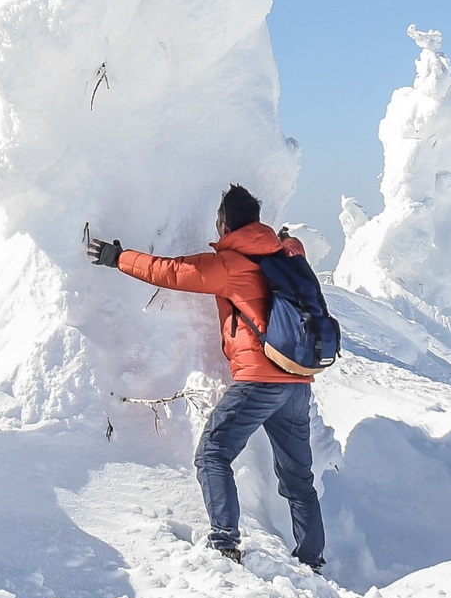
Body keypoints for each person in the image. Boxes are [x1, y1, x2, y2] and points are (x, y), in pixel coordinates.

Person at [88, 184, 325, 571]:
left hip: (258, 380)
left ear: (224, 223)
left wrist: (119, 258)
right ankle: (312, 558)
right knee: (299, 478)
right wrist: (284, 239)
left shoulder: (230, 264)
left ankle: (225, 542)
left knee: (213, 453)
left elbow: (172, 271)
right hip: (297, 383)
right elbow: (295, 243)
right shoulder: (285, 252)